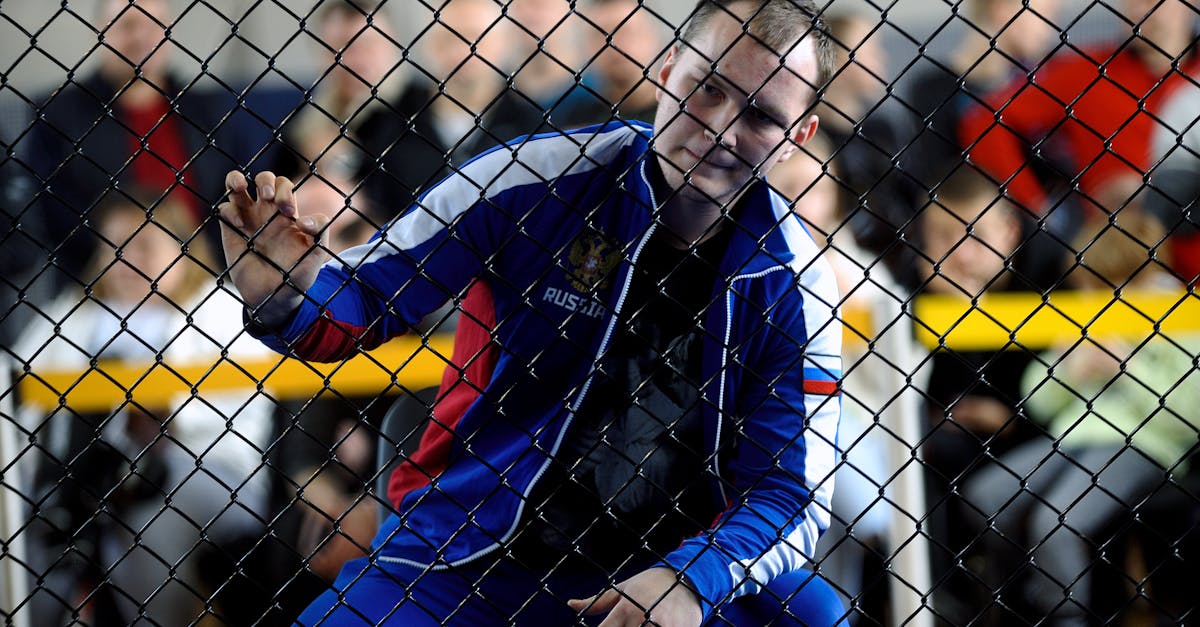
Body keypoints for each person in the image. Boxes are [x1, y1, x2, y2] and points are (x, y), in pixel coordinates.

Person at [218, 1, 847, 624]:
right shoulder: (530, 177)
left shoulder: (799, 283)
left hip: (675, 559)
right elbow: (369, 295)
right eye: (707, 87)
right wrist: (285, 296)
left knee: (814, 615)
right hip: (470, 549)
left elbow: (791, 491)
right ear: (667, 68)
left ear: (799, 138)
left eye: (761, 115)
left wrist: (694, 579)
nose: (720, 127)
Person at [15, 190, 276, 625]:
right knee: (31, 518)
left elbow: (240, 416)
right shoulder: (74, 313)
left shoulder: (222, 307)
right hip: (78, 474)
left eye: (143, 244)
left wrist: (160, 416)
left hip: (199, 466)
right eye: (113, 245)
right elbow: (19, 401)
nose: (125, 259)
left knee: (158, 512)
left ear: (183, 248)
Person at [963, 207, 1199, 626]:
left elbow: (1185, 416)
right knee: (987, 495)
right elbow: (1035, 400)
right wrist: (1070, 367)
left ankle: (1066, 618)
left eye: (1111, 286)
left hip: (1143, 443)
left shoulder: (1180, 312)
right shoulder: (1090, 309)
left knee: (1056, 520)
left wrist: (1126, 367)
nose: (1099, 297)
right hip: (1072, 438)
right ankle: (1013, 608)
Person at [958, 0, 1200, 265]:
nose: (1138, 9)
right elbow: (985, 121)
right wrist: (1038, 211)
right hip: (1117, 262)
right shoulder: (1088, 71)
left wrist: (1152, 191)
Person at [26, 0, 239, 292]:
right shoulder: (58, 116)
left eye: (154, 26)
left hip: (201, 282)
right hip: (100, 289)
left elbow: (230, 195)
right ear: (100, 32)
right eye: (127, 25)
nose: (141, 37)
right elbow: (50, 212)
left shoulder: (208, 111)